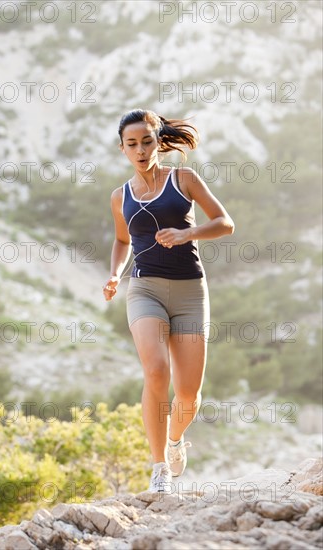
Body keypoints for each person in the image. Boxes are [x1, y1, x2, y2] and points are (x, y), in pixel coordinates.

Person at [102, 109, 234, 493]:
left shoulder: (184, 179)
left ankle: (175, 442)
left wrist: (185, 233)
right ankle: (159, 466)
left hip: (190, 290)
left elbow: (225, 223)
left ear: (159, 141)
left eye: (147, 141)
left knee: (189, 394)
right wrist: (114, 273)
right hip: (144, 289)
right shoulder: (119, 197)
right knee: (156, 372)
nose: (141, 150)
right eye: (132, 144)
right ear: (122, 148)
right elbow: (122, 240)